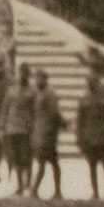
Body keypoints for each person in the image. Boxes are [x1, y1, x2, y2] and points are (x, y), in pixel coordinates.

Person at [76, 49, 104, 199]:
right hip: (90, 138)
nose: (90, 84)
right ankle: (95, 193)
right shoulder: (84, 100)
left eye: (93, 82)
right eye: (89, 82)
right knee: (92, 167)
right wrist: (80, 139)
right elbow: (80, 122)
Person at [0, 63, 35, 195]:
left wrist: (34, 127)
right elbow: (5, 109)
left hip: (26, 129)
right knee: (16, 158)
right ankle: (20, 185)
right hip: (12, 128)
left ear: (28, 75)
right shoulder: (11, 90)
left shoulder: (32, 91)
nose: (23, 76)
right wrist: (2, 125)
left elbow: (35, 111)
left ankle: (28, 183)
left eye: (25, 73)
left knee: (27, 157)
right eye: (21, 73)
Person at [30, 67, 65, 198]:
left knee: (46, 162)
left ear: (45, 79)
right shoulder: (39, 93)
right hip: (41, 132)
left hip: (48, 133)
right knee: (50, 162)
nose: (37, 81)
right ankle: (55, 191)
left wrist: (61, 124)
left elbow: (54, 114)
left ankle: (36, 190)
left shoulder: (49, 94)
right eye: (36, 78)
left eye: (39, 78)